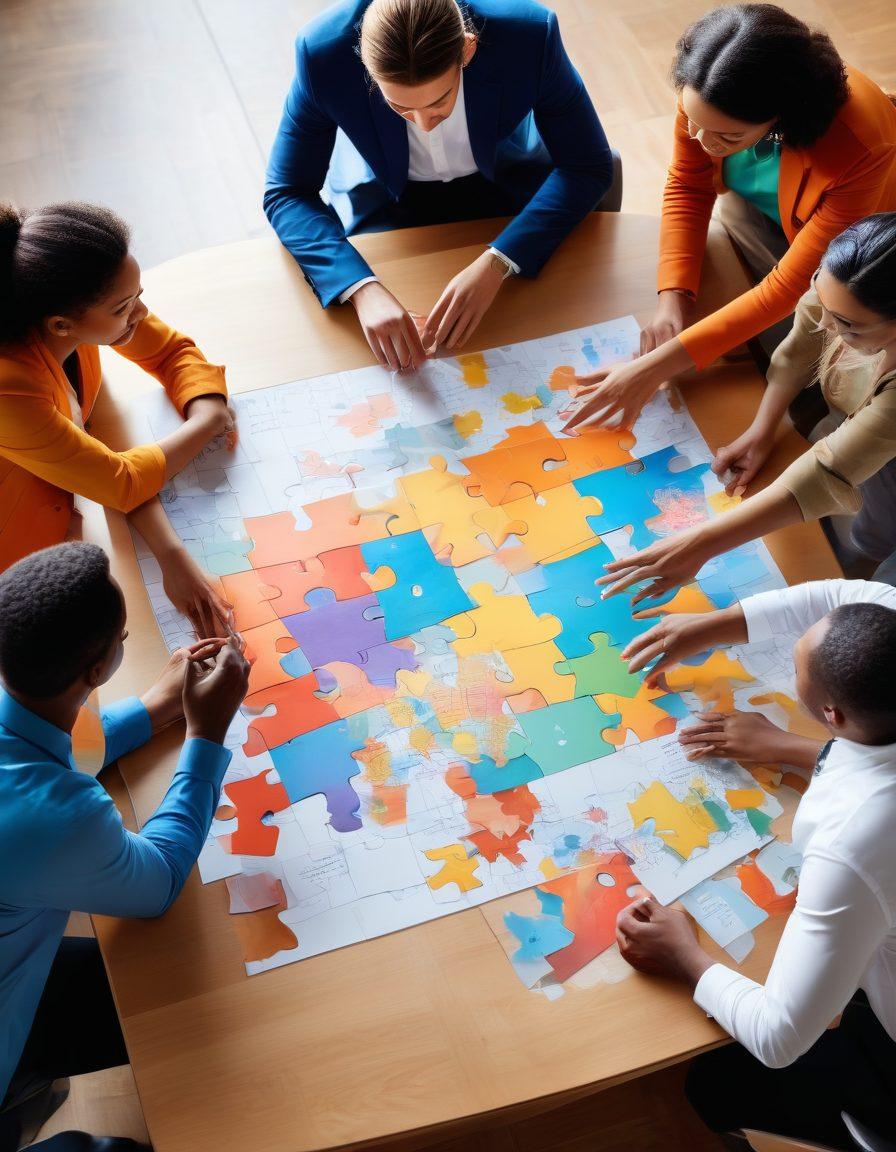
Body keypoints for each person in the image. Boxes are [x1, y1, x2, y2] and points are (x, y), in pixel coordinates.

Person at [617, 578, 896, 1149]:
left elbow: (779, 1036)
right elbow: (840, 598)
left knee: (711, 1084)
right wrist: (706, 627)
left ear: (831, 714)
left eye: (796, 671)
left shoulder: (856, 840)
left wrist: (684, 957)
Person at [0, 542, 250, 1152]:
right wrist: (206, 734)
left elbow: (37, 747)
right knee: (201, 994)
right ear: (96, 669)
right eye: (125, 638)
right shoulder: (60, 820)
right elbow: (159, 877)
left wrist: (156, 707)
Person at [566, 3, 896, 432]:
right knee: (726, 326)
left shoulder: (861, 143)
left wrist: (650, 369)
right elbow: (688, 184)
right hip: (771, 215)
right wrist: (673, 297)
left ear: (782, 116)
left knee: (809, 356)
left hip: (856, 257)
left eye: (728, 136)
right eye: (693, 123)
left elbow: (790, 286)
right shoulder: (708, 90)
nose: (702, 142)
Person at [265, 0, 613, 372]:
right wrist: (361, 288)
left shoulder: (529, 35)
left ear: (467, 48)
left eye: (439, 102)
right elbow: (287, 192)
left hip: (507, 190)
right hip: (391, 204)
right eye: (400, 108)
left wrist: (500, 261)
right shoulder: (321, 54)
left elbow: (586, 165)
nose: (423, 126)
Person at [587, 214, 896, 604]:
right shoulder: (841, 288)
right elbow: (798, 349)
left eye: (848, 325)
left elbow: (828, 473)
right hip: (849, 436)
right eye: (820, 293)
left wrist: (698, 545)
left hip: (885, 480)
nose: (827, 324)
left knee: (866, 546)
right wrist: (762, 428)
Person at [0, 201, 236, 637]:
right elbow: (119, 481)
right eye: (125, 306)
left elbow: (170, 352)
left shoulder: (72, 307)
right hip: (19, 556)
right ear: (62, 325)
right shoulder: (9, 390)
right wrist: (208, 420)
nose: (141, 314)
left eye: (139, 295)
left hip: (76, 496)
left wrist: (204, 396)